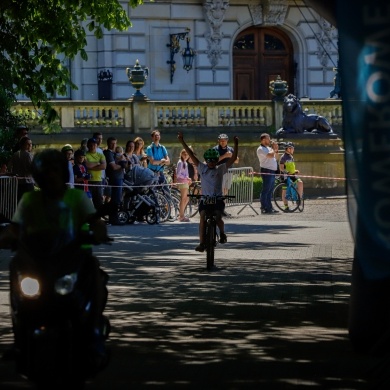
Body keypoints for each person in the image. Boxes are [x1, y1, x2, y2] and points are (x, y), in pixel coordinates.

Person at [0, 149, 110, 360]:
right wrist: (6, 237)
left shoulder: (76, 197)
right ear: (39, 174)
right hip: (36, 259)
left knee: (94, 271)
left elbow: (95, 221)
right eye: (46, 171)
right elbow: (14, 228)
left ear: (62, 173)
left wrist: (99, 231)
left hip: (73, 257)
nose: (51, 175)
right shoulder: (30, 200)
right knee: (16, 268)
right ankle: (20, 339)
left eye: (55, 170)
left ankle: (93, 334)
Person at [177, 131, 239, 252]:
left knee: (218, 215)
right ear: (206, 160)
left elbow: (233, 158)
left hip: (218, 199)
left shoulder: (221, 169)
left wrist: (236, 144)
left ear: (216, 161)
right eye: (209, 160)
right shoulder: (202, 167)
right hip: (205, 199)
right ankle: (201, 243)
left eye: (213, 161)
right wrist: (182, 141)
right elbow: (191, 154)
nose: (211, 163)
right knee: (203, 217)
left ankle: (222, 233)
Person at [103, 137, 124, 225]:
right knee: (115, 200)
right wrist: (122, 166)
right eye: (112, 143)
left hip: (119, 178)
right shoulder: (109, 154)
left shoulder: (115, 153)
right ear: (108, 144)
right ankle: (113, 218)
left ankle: (113, 217)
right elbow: (113, 167)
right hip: (114, 178)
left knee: (116, 200)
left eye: (115, 143)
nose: (113, 145)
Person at [7, 136, 34, 202]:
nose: (30, 146)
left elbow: (9, 167)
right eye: (28, 144)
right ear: (22, 145)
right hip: (28, 183)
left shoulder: (15, 154)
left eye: (31, 144)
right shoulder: (28, 155)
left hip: (17, 184)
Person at [257, 133, 279, 214]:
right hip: (266, 170)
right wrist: (274, 149)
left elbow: (276, 157)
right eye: (268, 139)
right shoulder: (260, 149)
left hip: (272, 171)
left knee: (270, 190)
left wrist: (276, 150)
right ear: (263, 140)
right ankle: (264, 207)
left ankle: (269, 207)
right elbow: (269, 156)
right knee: (266, 190)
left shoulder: (269, 148)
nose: (269, 140)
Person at [279, 142, 304, 212]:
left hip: (292, 175)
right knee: (284, 191)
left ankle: (299, 199)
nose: (293, 150)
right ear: (288, 149)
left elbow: (291, 167)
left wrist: (295, 170)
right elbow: (281, 168)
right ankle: (286, 206)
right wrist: (286, 172)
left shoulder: (291, 157)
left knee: (300, 183)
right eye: (292, 149)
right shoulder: (283, 157)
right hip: (285, 176)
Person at [85, 138, 106, 213]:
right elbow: (87, 165)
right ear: (88, 145)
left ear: (96, 145)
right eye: (90, 144)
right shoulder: (85, 155)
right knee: (89, 201)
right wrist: (97, 164)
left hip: (98, 181)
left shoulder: (100, 155)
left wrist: (92, 166)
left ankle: (99, 217)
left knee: (99, 200)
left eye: (94, 144)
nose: (92, 146)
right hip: (88, 181)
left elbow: (104, 166)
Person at [176, 149, 191, 222]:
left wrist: (188, 179)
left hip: (185, 182)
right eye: (184, 154)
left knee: (187, 198)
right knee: (184, 198)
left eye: (187, 155)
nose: (186, 156)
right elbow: (178, 174)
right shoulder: (180, 163)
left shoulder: (185, 163)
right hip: (182, 182)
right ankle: (181, 216)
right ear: (181, 154)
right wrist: (186, 178)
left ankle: (181, 213)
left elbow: (186, 173)